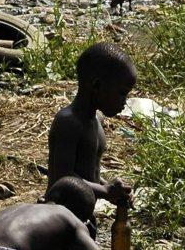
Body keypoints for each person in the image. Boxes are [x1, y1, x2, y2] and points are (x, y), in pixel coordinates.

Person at [47, 42, 136, 211]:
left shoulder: (96, 120)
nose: (125, 101)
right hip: (59, 213)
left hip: (83, 213)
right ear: (96, 86)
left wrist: (113, 191)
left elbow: (87, 174)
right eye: (122, 93)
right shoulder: (69, 122)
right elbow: (62, 177)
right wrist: (105, 191)